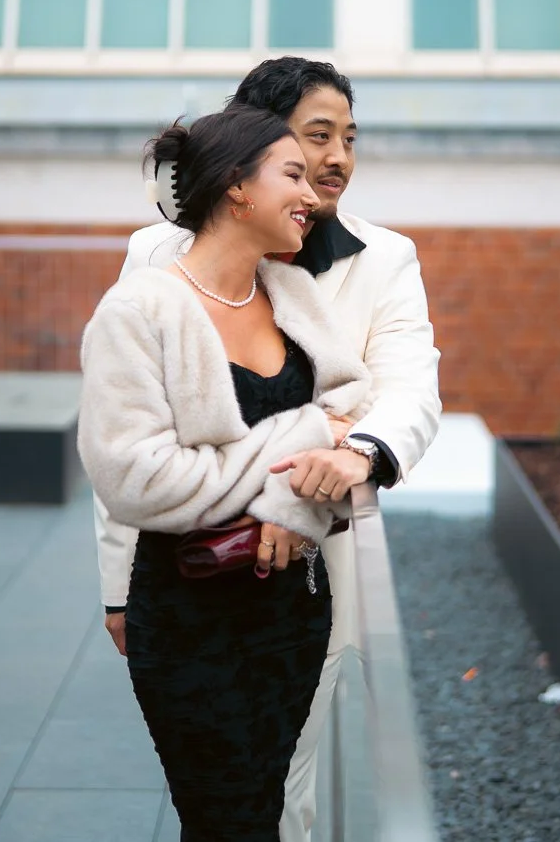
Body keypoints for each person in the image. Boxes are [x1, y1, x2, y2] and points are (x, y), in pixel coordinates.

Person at [95, 57, 443, 841]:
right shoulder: (155, 257)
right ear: (248, 152)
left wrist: (357, 454)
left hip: (304, 587)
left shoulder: (383, 260)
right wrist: (120, 588)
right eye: (316, 136)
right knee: (220, 800)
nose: (340, 158)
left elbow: (404, 391)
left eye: (350, 138)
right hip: (180, 581)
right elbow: (125, 437)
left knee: (283, 796)